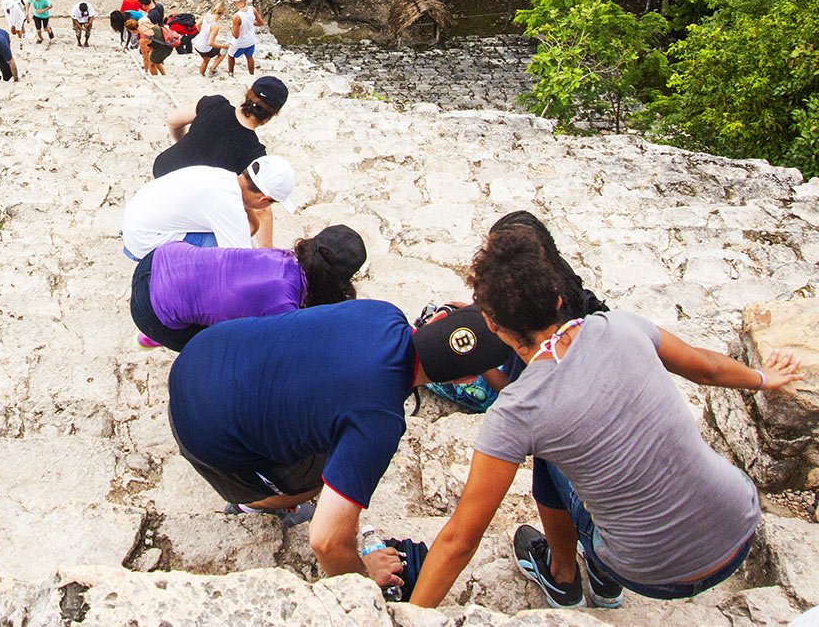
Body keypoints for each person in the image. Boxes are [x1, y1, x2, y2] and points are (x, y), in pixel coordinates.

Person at [408, 224, 802, 611]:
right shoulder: (622, 327)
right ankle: (595, 576)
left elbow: (461, 539)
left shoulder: (518, 412)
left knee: (547, 456)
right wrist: (764, 379)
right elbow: (707, 369)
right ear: (558, 298)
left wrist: (409, 617)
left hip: (650, 574)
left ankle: (565, 574)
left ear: (492, 324)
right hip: (738, 529)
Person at [167, 301, 514, 597]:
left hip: (199, 354)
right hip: (204, 434)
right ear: (465, 380)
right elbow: (326, 541)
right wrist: (362, 576)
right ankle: (251, 503)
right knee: (324, 477)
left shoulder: (381, 312)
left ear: (436, 318)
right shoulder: (379, 420)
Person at [131, 225, 366, 352]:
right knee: (218, 350)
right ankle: (156, 334)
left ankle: (164, 323)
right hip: (150, 311)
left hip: (159, 259)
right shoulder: (284, 306)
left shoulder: (282, 256)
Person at [121, 155, 295, 260]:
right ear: (264, 198)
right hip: (144, 240)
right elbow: (242, 261)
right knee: (221, 259)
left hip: (136, 218)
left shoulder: (223, 177)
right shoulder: (227, 205)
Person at [153, 76, 288, 178]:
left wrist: (183, 142)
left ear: (248, 95)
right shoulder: (255, 153)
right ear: (271, 115)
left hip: (163, 168)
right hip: (188, 193)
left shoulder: (214, 103)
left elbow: (173, 121)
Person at [193, 0, 231, 77]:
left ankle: (201, 75)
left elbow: (197, 25)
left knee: (205, 60)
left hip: (197, 43)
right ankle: (213, 68)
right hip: (204, 47)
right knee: (224, 49)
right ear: (223, 13)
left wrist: (203, 34)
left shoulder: (207, 15)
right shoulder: (215, 26)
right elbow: (210, 43)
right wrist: (223, 46)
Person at [228, 0, 261, 75]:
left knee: (230, 55)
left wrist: (231, 28)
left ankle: (230, 73)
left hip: (240, 43)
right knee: (249, 57)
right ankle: (251, 74)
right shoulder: (252, 9)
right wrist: (251, 22)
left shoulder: (237, 16)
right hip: (251, 41)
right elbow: (261, 23)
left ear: (235, 2)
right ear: (244, 0)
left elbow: (236, 35)